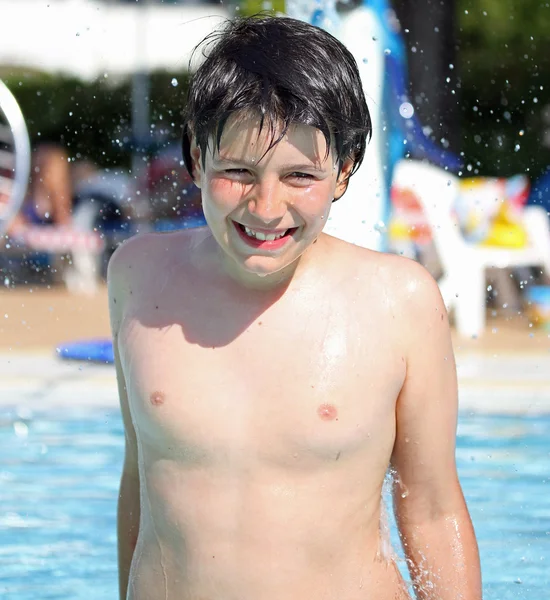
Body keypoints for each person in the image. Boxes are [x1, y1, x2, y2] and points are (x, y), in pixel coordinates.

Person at [107, 15, 482, 600]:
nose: (266, 205)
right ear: (197, 158)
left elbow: (432, 508)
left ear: (345, 170)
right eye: (237, 171)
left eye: (299, 175)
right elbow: (142, 479)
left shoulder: (398, 302)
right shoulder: (139, 277)